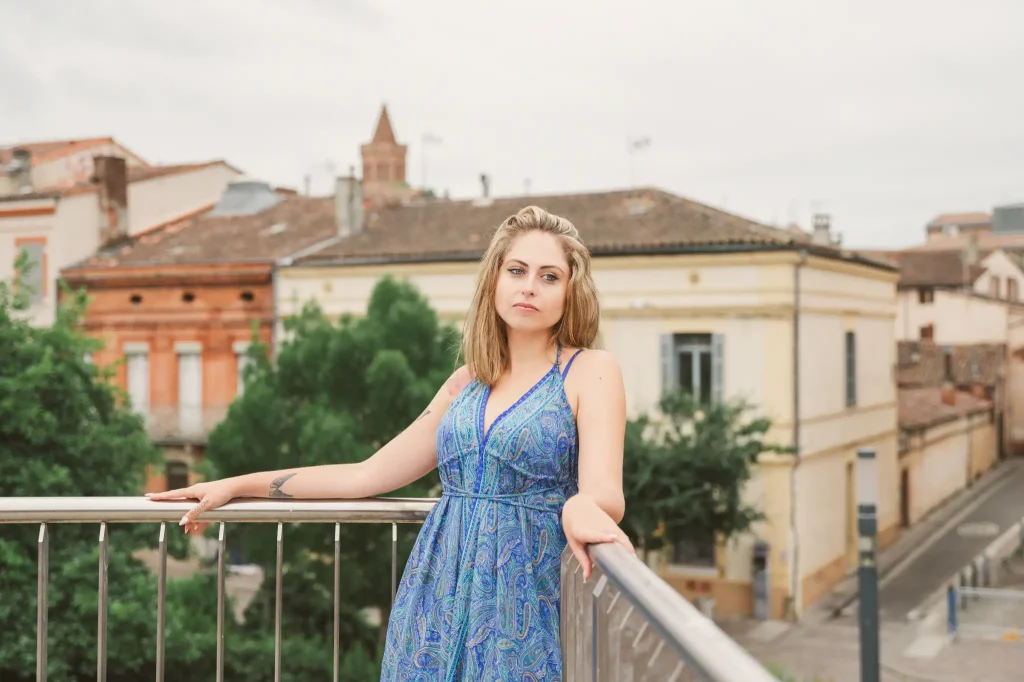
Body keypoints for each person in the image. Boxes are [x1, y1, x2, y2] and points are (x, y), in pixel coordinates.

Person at [147, 205, 635, 681]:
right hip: (435, 594)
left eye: (550, 276)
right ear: (494, 281)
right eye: (517, 270)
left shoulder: (590, 370)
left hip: (526, 597)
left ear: (572, 293)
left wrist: (578, 509)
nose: (530, 286)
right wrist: (234, 485)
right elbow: (367, 474)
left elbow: (603, 494)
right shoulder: (467, 382)